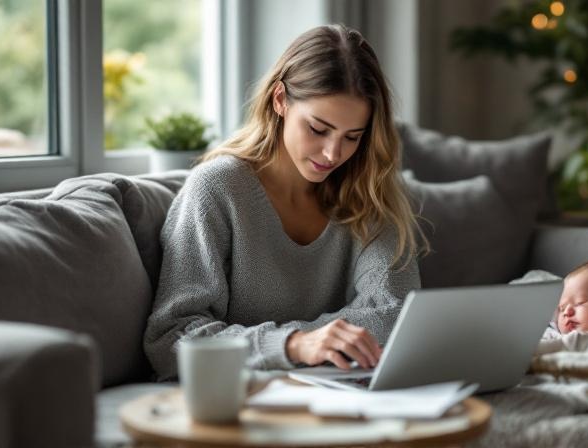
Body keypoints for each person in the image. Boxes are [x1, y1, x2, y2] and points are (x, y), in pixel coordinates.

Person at [143, 24, 426, 381]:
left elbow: (396, 315)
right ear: (280, 100)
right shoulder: (217, 188)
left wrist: (312, 343)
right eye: (318, 129)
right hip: (248, 398)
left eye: (352, 136)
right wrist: (294, 345)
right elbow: (172, 338)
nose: (333, 153)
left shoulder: (368, 189)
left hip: (339, 394)